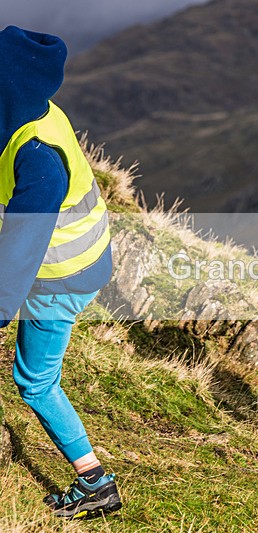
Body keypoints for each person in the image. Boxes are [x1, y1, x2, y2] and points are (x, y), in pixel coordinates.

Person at [0, 26, 121, 518]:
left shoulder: (38, 159)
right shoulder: (36, 114)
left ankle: (95, 483)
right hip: (83, 258)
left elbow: (21, 253)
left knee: (35, 381)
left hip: (62, 275)